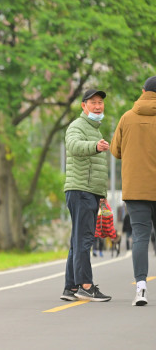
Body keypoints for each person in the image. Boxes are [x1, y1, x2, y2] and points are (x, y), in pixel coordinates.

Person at [61, 89, 111, 302]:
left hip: (89, 191)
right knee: (84, 239)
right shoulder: (77, 126)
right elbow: (73, 146)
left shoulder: (94, 129)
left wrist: (102, 194)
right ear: (83, 106)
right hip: (81, 190)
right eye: (93, 102)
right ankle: (86, 286)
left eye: (100, 102)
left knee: (78, 239)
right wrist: (95, 146)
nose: (98, 106)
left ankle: (71, 287)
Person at [111, 75, 156, 306]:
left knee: (139, 237)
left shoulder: (127, 118)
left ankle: (141, 288)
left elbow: (115, 150)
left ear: (143, 91)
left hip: (136, 189)